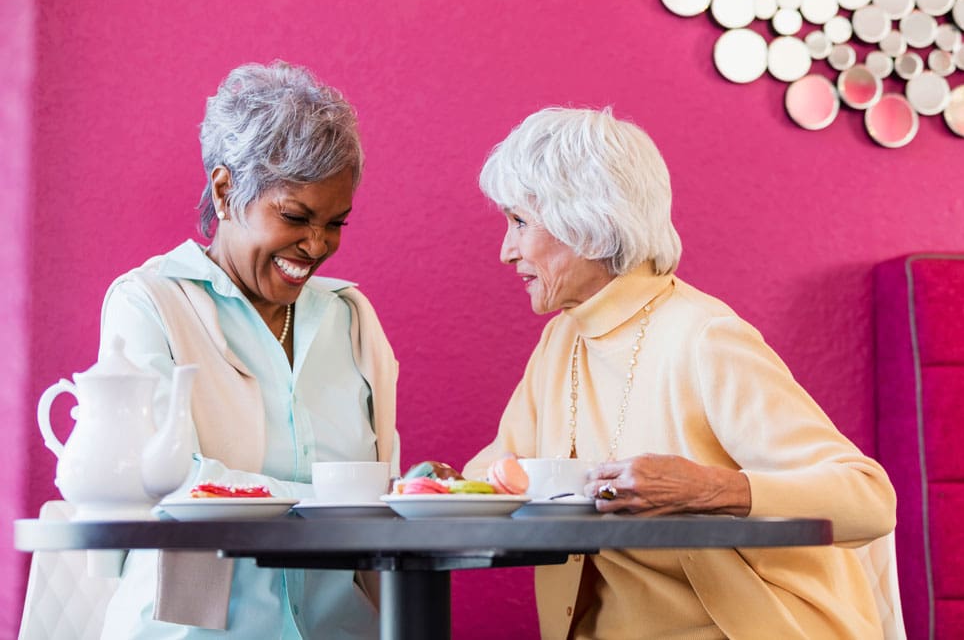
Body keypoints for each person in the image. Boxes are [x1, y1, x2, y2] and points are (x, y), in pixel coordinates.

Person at [463, 107, 896, 639]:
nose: (506, 251)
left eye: (520, 222)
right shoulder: (563, 339)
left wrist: (711, 489)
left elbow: (870, 500)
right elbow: (495, 469)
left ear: (588, 221)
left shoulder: (704, 337)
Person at [99, 61, 398, 638]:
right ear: (225, 187)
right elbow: (168, 477)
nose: (316, 245)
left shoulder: (350, 318)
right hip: (196, 630)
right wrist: (327, 501)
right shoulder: (150, 303)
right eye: (294, 216)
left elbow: (379, 492)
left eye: (336, 223)